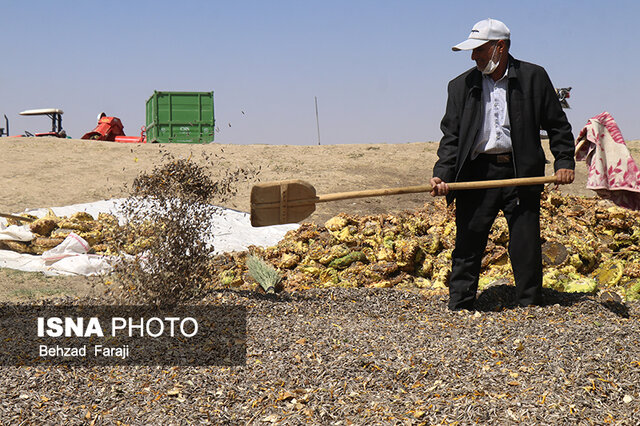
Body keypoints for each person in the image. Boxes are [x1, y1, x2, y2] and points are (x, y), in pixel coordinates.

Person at [430, 18, 575, 310]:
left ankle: (530, 305)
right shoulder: (460, 87)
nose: (474, 56)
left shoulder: (534, 77)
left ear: (500, 47)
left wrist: (564, 161)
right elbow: (452, 137)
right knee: (469, 240)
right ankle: (460, 305)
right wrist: (442, 175)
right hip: (476, 172)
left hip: (521, 172)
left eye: (479, 50)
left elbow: (557, 125)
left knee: (525, 243)